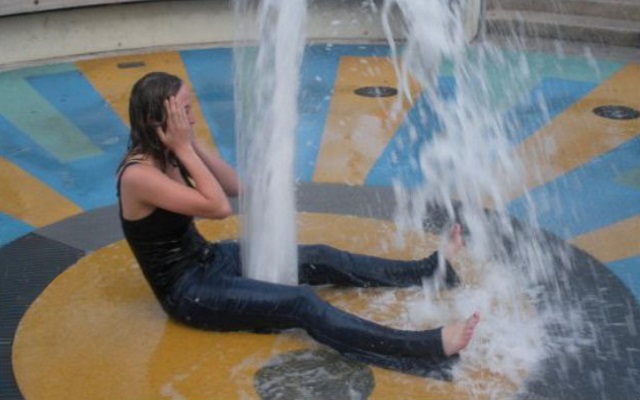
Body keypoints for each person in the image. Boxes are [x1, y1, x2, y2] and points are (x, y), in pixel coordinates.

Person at [117, 71, 479, 377]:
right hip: (189, 291)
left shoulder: (172, 151)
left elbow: (237, 188)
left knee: (322, 256)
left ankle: (430, 270)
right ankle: (426, 348)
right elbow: (219, 207)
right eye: (184, 111)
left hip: (210, 259)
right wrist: (183, 148)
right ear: (157, 121)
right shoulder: (138, 176)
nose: (191, 119)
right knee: (301, 303)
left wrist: (190, 146)